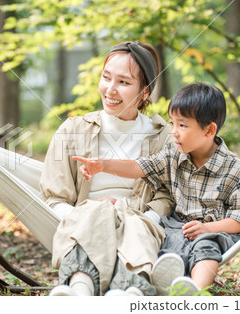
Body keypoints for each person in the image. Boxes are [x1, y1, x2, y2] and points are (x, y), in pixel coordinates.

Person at [74, 83, 240, 295]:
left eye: (182, 125)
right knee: (165, 247)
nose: (173, 132)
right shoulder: (174, 153)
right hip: (176, 226)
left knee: (205, 247)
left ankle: (196, 291)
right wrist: (104, 165)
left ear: (209, 130)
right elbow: (141, 167)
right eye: (172, 123)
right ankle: (167, 284)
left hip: (214, 229)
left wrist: (209, 228)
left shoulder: (233, 169)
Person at [40, 41, 174, 296]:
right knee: (97, 213)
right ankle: (79, 289)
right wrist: (92, 215)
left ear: (144, 92)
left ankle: (129, 293)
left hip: (138, 223)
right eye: (106, 77)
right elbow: (55, 197)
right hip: (84, 218)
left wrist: (141, 218)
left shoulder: (163, 137)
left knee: (133, 225)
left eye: (123, 82)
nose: (110, 89)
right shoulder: (73, 130)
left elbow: (166, 195)